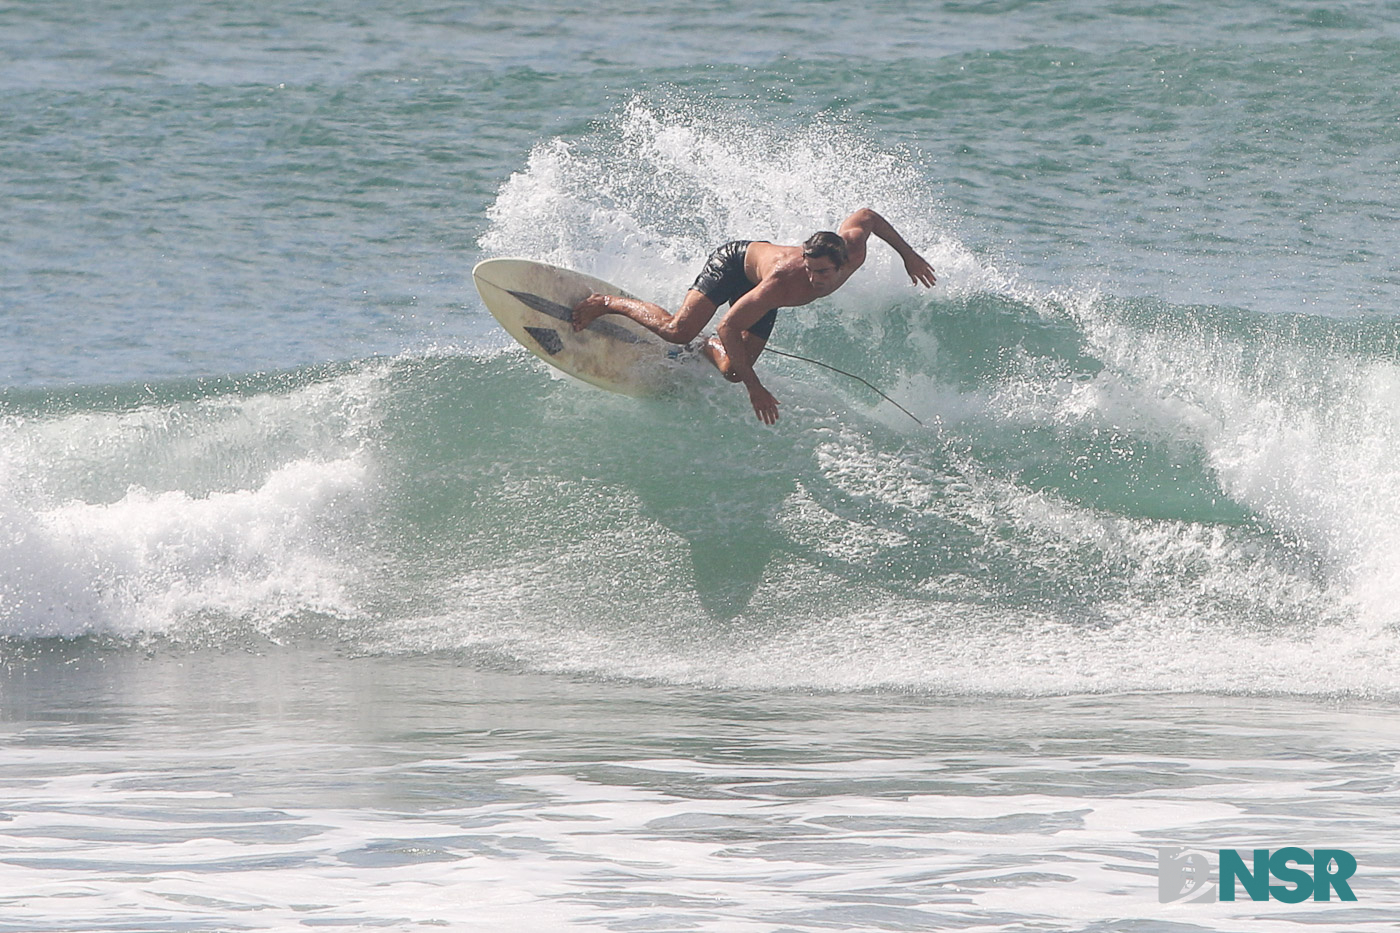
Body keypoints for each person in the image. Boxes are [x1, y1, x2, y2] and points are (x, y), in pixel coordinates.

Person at [571, 208, 937, 425]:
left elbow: (868, 216)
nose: (814, 279)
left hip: (760, 289)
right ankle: (606, 302)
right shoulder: (782, 283)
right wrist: (756, 387)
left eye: (823, 273)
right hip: (733, 265)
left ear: (843, 263)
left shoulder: (853, 248)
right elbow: (728, 325)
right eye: (809, 270)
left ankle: (703, 349)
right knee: (676, 330)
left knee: (731, 370)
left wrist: (909, 255)